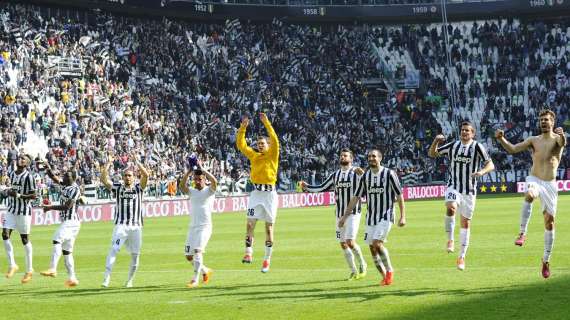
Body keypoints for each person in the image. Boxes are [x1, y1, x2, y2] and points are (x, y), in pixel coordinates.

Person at [495, 110, 566, 278]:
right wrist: (500, 139)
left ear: (552, 122)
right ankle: (522, 233)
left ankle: (546, 260)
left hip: (550, 185)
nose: (543, 122)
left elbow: (563, 143)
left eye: (546, 120)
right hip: (534, 178)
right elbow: (512, 149)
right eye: (541, 120)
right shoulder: (533, 140)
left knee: (549, 223)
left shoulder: (557, 139)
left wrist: (563, 135)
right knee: (530, 194)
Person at [428, 121, 495, 271]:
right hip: (454, 186)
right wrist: (436, 141)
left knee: (465, 223)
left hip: (469, 191)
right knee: (451, 207)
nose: (464, 132)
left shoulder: (478, 147)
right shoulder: (453, 145)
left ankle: (462, 256)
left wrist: (481, 172)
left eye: (467, 131)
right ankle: (450, 240)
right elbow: (432, 153)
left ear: (473, 133)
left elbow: (490, 165)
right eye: (463, 130)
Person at [339, 149, 405, 286]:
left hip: (386, 215)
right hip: (371, 217)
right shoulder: (365, 177)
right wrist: (344, 216)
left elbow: (399, 195)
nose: (371, 158)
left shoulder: (389, 174)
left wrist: (403, 216)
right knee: (371, 248)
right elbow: (356, 197)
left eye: (374, 156)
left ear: (380, 158)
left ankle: (390, 271)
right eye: (369, 156)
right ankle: (384, 276)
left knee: (377, 244)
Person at [299, 148, 367, 280]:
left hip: (353, 213)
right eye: (341, 155)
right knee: (343, 244)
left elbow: (367, 186)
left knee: (350, 242)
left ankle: (363, 263)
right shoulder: (335, 175)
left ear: (351, 159)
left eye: (345, 156)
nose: (343, 157)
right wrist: (307, 187)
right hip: (339, 214)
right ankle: (353, 271)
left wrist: (363, 174)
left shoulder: (356, 172)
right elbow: (322, 187)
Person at [236, 113, 279, 273]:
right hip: (256, 194)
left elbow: (274, 139)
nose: (260, 145)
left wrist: (267, 123)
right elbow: (241, 145)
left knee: (268, 229)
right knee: (249, 224)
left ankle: (267, 260)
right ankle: (248, 253)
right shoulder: (254, 156)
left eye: (263, 143)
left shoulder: (273, 155)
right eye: (258, 143)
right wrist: (243, 127)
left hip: (269, 196)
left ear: (268, 145)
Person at [100, 152, 149, 287]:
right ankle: (106, 277)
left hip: (136, 227)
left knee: (135, 255)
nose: (127, 177)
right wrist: (109, 162)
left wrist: (137, 162)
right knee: (114, 249)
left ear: (133, 177)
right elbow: (103, 179)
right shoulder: (118, 188)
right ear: (122, 177)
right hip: (121, 226)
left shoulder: (139, 188)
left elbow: (146, 175)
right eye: (125, 175)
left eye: (130, 175)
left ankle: (129, 280)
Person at [39, 161, 81, 287]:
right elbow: (54, 177)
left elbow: (68, 206)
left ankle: (52, 268)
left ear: (73, 178)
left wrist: (50, 207)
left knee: (56, 239)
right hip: (69, 222)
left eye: (67, 176)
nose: (64, 177)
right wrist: (48, 168)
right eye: (65, 175)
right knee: (67, 252)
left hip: (71, 221)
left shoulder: (75, 189)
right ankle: (72, 278)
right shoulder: (65, 185)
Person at [179, 159, 217, 288]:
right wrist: (189, 172)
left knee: (198, 251)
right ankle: (205, 271)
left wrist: (203, 169)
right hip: (193, 227)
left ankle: (195, 279)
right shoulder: (191, 191)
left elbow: (215, 182)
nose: (197, 181)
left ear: (204, 179)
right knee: (189, 256)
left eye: (200, 179)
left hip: (205, 227)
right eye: (195, 179)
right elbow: (181, 186)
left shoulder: (209, 191)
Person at [1, 154, 36, 283]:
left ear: (26, 163)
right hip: (11, 209)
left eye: (23, 159)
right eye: (19, 157)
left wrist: (19, 195)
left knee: (25, 239)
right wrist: (6, 191)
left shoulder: (29, 177)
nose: (19, 159)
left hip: (23, 211)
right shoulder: (11, 172)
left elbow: (34, 196)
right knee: (4, 234)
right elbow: (12, 188)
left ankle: (29, 270)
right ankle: (12, 265)